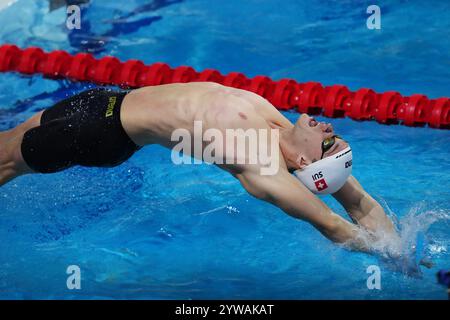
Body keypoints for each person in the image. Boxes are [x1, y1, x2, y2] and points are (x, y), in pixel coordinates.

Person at [0, 82, 397, 251]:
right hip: (105, 99)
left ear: (306, 161)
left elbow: (330, 223)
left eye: (329, 139)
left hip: (96, 132)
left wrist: (385, 261)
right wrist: (400, 253)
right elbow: (358, 202)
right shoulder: (280, 125)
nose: (329, 126)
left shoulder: (260, 165)